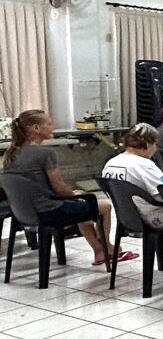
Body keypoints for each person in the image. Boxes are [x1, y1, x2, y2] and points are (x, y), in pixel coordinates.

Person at [3, 110, 137, 268]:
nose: (53, 127)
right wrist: (73, 194)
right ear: (36, 128)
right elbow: (59, 187)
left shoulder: (11, 154)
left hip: (23, 213)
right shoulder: (45, 153)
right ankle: (107, 247)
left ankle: (99, 251)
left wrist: (74, 195)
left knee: (81, 204)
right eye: (49, 124)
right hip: (49, 210)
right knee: (103, 207)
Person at [101, 123, 163, 229]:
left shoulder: (110, 164)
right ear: (148, 144)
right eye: (155, 144)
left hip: (126, 217)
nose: (155, 149)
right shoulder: (145, 165)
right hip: (154, 218)